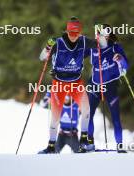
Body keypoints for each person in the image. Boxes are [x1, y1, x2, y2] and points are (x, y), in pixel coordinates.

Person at [39, 17, 100, 153]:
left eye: (76, 34)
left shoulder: (83, 41)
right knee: (55, 118)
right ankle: (50, 147)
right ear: (67, 32)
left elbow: (101, 45)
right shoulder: (58, 43)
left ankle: (84, 140)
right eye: (71, 33)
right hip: (59, 84)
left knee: (86, 109)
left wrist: (100, 34)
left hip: (76, 83)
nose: (73, 37)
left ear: (80, 33)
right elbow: (42, 57)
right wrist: (48, 46)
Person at [86, 24, 129, 153]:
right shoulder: (92, 47)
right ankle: (89, 143)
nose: (100, 36)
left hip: (110, 85)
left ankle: (120, 145)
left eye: (105, 34)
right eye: (98, 34)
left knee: (116, 117)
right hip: (94, 84)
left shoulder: (115, 47)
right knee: (88, 114)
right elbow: (76, 55)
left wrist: (120, 59)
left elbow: (126, 65)